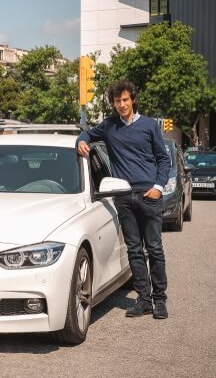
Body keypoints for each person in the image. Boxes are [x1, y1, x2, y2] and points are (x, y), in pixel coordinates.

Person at [76, 79, 170, 319]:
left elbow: (163, 159)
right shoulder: (109, 126)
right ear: (113, 103)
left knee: (155, 249)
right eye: (117, 101)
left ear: (133, 100)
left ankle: (160, 300)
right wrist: (81, 141)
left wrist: (158, 187)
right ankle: (144, 299)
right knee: (135, 251)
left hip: (149, 196)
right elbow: (86, 133)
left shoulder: (149, 126)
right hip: (123, 197)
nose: (121, 104)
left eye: (125, 100)